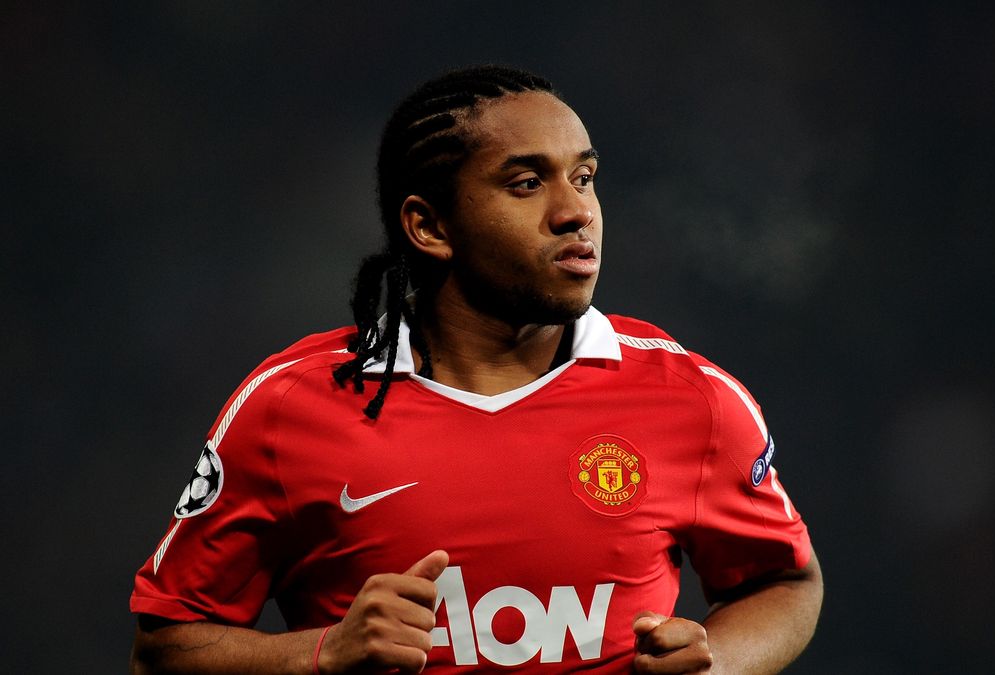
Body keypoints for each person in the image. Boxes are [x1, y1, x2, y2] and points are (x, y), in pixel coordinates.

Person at [130, 65, 822, 674]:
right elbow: (162, 650)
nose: (576, 212)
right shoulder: (287, 408)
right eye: (527, 183)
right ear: (429, 227)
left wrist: (719, 661)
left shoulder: (691, 398)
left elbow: (786, 581)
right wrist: (321, 654)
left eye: (584, 178)